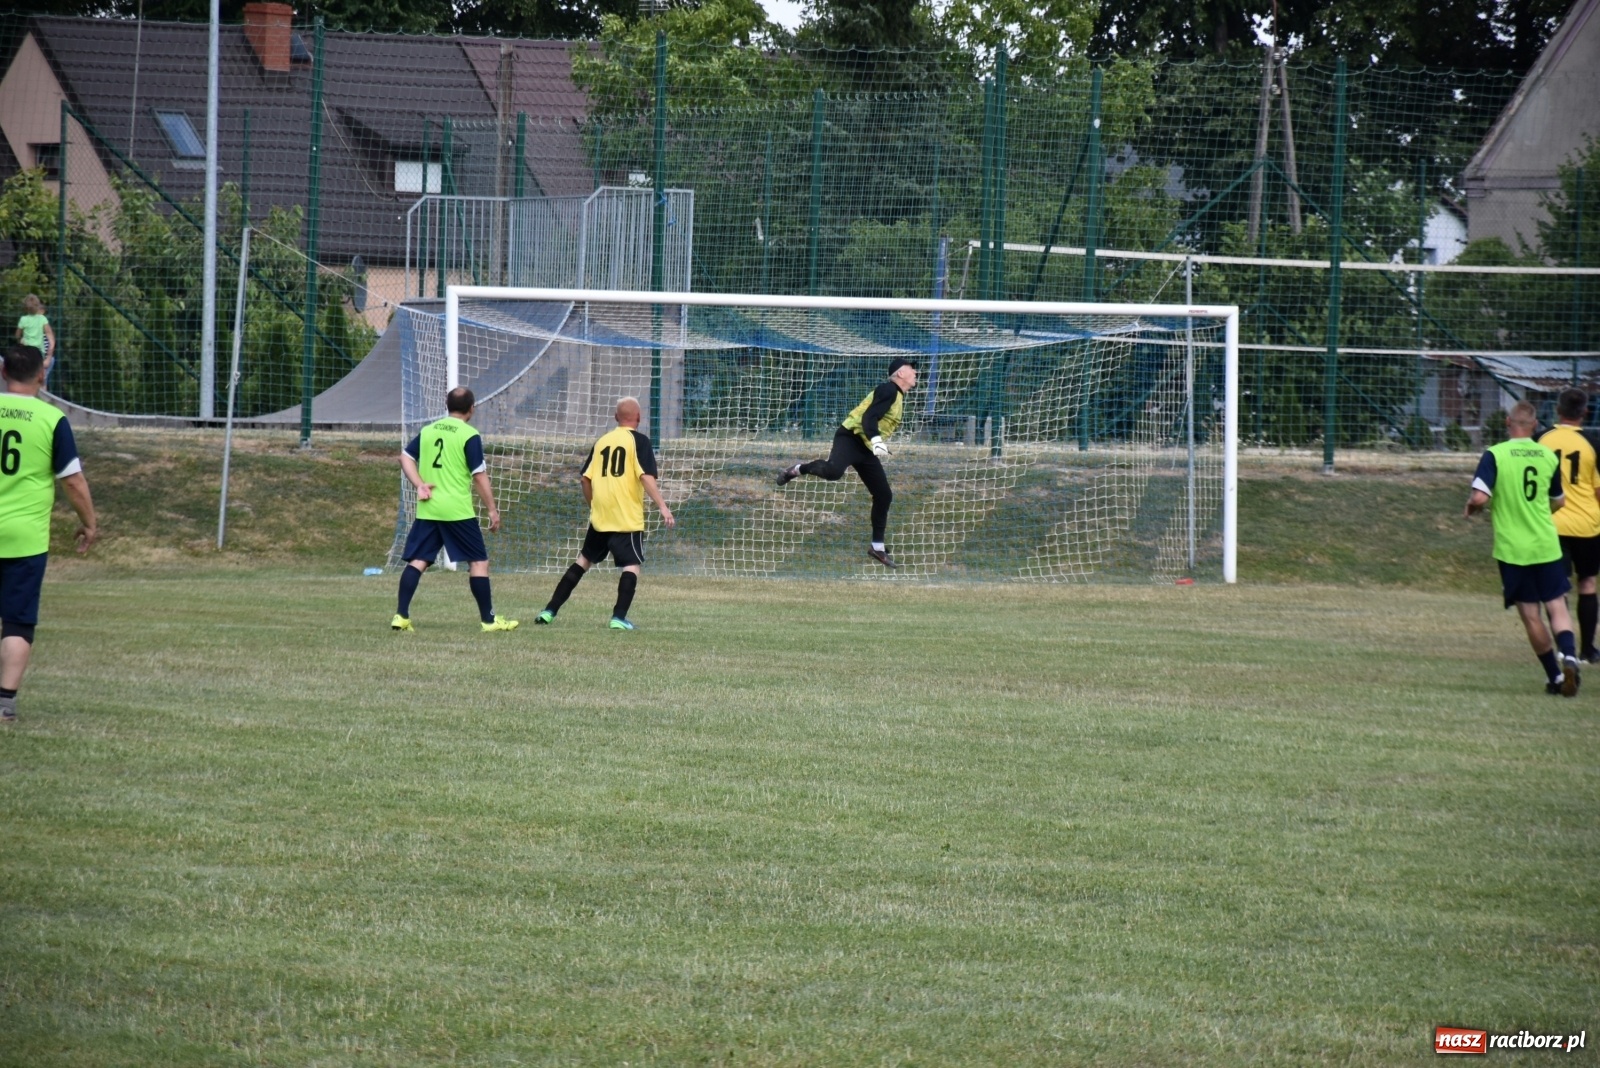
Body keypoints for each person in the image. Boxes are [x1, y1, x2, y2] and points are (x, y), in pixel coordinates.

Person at [0, 344, 97, 723]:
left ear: (4, 371)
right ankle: (4, 704)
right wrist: (90, 524)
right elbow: (72, 481)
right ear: (42, 374)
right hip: (24, 537)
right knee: (18, 622)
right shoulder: (52, 419)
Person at [1465, 401, 1580, 696]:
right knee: (1557, 604)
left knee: (1531, 615)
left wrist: (1471, 507)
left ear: (1507, 422)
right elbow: (1559, 501)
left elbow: (1479, 498)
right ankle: (1569, 655)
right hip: (1545, 542)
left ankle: (1555, 678)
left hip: (1513, 549)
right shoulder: (1547, 456)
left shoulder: (1496, 455)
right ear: (1534, 426)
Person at [534, 396, 675, 630]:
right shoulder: (639, 441)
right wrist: (662, 505)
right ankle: (619, 617)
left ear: (615, 417)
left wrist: (593, 505)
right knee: (631, 564)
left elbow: (585, 479)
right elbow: (645, 476)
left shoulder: (602, 441)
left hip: (601, 517)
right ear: (638, 419)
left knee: (582, 562)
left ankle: (549, 610)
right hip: (626, 518)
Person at [391, 386, 517, 633]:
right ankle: (489, 621)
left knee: (419, 560)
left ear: (447, 406)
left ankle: (401, 616)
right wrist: (492, 510)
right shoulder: (469, 434)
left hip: (429, 507)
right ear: (472, 408)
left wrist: (419, 484)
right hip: (457, 510)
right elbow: (479, 476)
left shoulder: (429, 430)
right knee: (479, 562)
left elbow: (405, 457)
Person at [775, 357, 918, 569]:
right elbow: (868, 418)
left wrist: (875, 443)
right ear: (900, 374)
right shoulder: (889, 389)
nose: (915, 372)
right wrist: (877, 441)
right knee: (833, 472)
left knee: (884, 494)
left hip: (866, 448)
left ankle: (877, 548)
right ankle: (797, 469)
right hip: (850, 438)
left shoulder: (896, 396)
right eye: (911, 369)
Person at [1537, 387, 1600, 662]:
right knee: (1587, 582)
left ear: (1557, 410)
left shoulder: (1541, 439)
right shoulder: (1593, 443)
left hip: (1550, 523)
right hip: (1587, 524)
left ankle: (1566, 650)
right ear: (1585, 412)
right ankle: (1588, 649)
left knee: (1557, 587)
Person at [14, 295, 54, 377]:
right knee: (39, 376)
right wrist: (49, 353)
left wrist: (20, 340)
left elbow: (17, 335)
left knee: (26, 375)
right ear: (38, 306)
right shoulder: (42, 319)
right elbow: (50, 335)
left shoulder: (23, 319)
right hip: (39, 352)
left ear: (25, 307)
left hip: (27, 352)